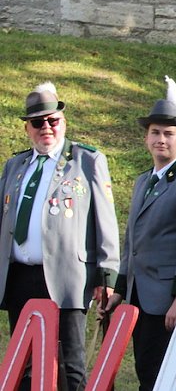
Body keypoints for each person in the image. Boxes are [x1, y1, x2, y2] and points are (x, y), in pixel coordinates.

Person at [0, 82, 120, 390]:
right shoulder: (16, 165)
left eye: (52, 120)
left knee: (69, 363)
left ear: (63, 121)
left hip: (66, 277)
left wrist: (106, 276)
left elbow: (105, 221)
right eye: (38, 123)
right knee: (24, 360)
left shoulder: (87, 161)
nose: (46, 128)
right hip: (20, 276)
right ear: (27, 127)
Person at [101, 77, 176, 391]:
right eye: (155, 133)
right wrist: (120, 289)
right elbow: (132, 242)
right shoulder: (143, 182)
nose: (160, 139)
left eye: (168, 133)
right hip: (140, 295)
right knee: (146, 371)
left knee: (162, 377)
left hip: (166, 300)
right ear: (146, 138)